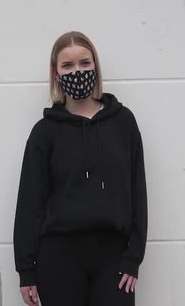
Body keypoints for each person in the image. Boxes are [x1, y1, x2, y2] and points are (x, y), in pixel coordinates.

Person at [13, 31, 148, 306]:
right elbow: (30, 203)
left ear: (95, 66)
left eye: (85, 63)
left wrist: (133, 257)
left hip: (113, 259)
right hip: (59, 259)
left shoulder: (123, 123)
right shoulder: (45, 132)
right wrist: (26, 270)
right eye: (68, 66)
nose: (78, 71)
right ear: (56, 73)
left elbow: (137, 192)